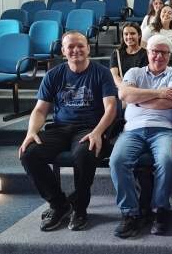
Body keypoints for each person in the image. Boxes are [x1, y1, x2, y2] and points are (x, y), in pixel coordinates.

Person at [19, 31, 117, 231]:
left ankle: (80, 208)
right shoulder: (54, 74)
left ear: (88, 48)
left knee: (84, 153)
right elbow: (39, 110)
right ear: (63, 51)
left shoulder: (101, 72)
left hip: (89, 128)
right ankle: (59, 204)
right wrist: (31, 131)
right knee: (29, 154)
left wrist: (98, 132)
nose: (76, 50)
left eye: (80, 45)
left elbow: (111, 108)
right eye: (70, 47)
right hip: (61, 128)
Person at [109, 34, 172, 238]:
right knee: (117, 161)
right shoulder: (134, 71)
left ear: (169, 55)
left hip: (164, 129)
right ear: (148, 53)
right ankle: (130, 213)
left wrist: (139, 98)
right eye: (154, 51)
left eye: (163, 52)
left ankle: (160, 209)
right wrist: (159, 93)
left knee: (167, 161)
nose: (158, 56)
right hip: (132, 129)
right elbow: (125, 95)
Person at [110, 22, 148, 87]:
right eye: (126, 34)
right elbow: (115, 76)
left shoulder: (146, 54)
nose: (129, 37)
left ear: (139, 35)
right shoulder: (116, 53)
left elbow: (144, 77)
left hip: (139, 89)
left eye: (132, 33)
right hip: (121, 89)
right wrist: (124, 88)